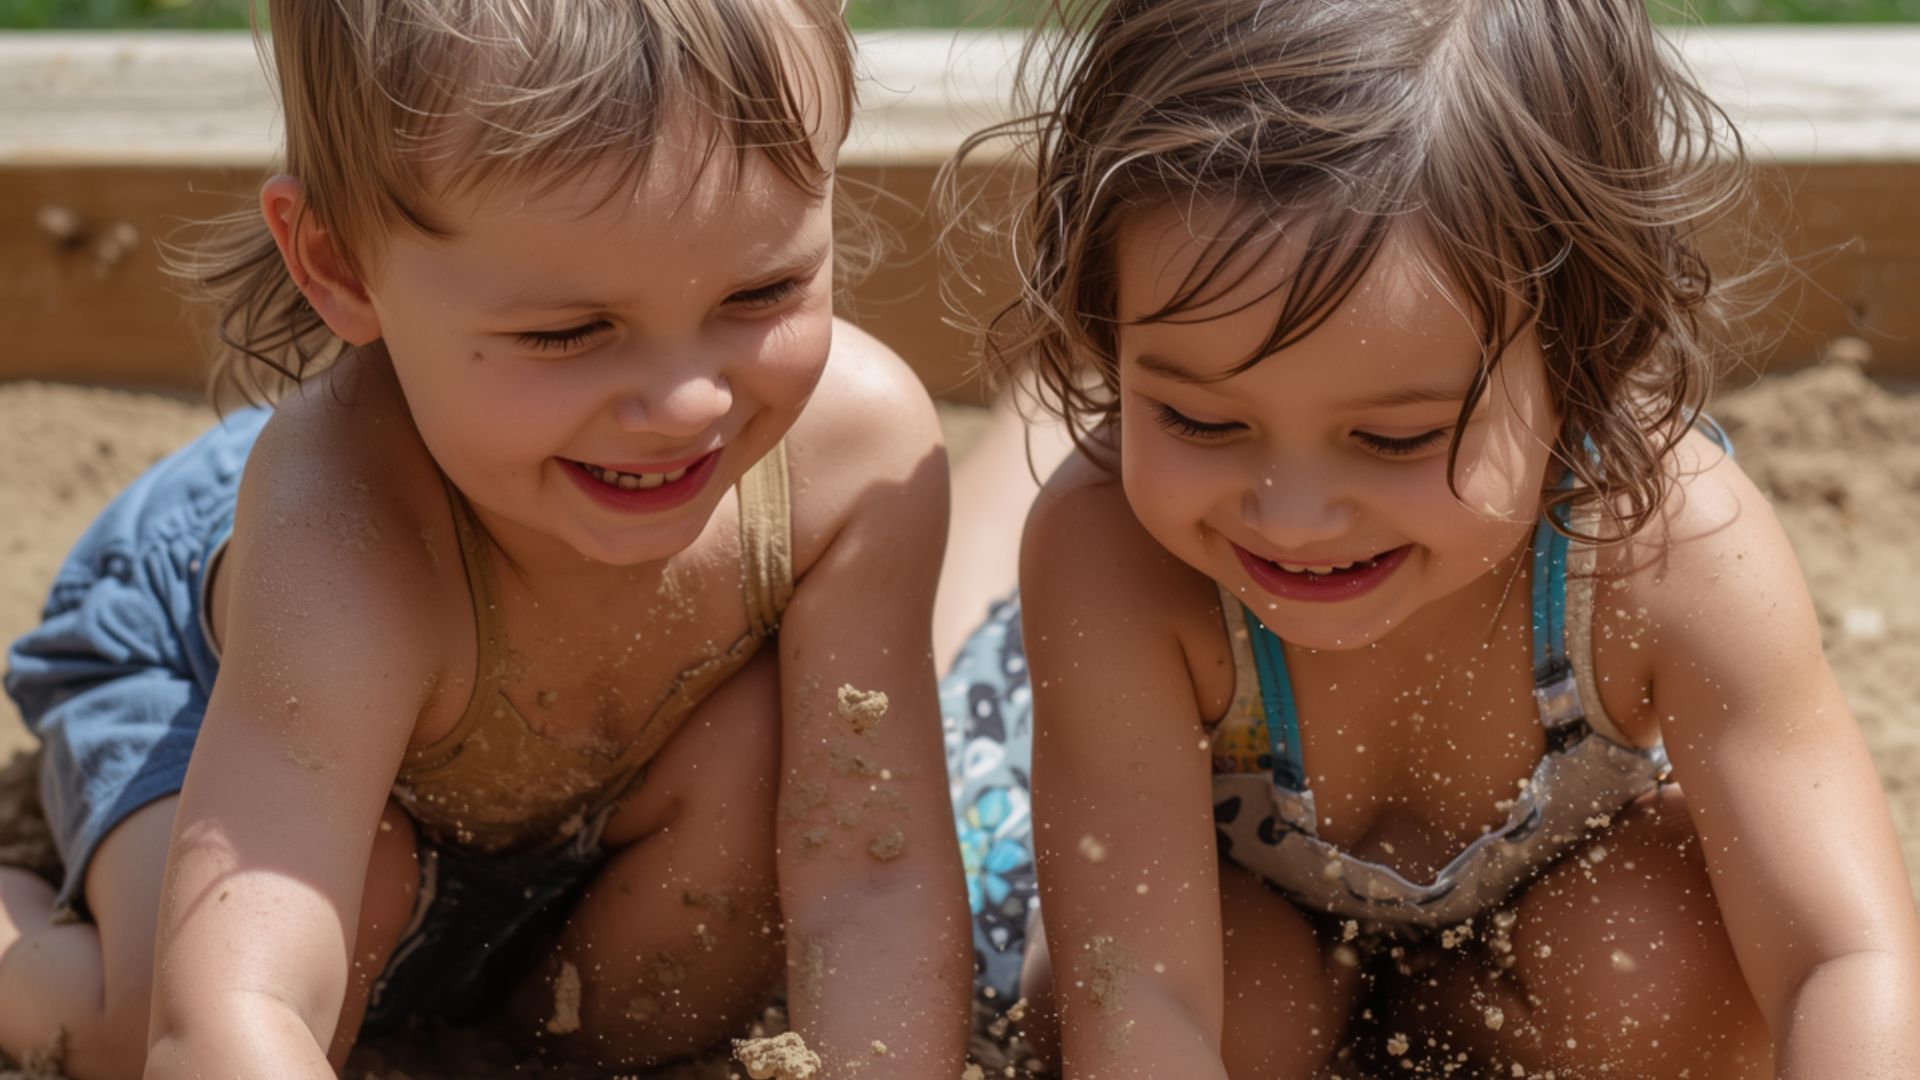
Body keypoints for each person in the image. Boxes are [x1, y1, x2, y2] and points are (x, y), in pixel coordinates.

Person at [940, 1, 1920, 1076]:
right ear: (1110, 334)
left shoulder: (1674, 543)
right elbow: (1139, 998)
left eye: (1394, 437)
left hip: (1526, 919)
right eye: (1200, 418)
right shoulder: (1116, 552)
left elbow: (1847, 954)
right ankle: (1039, 416)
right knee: (1204, 1005)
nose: (1292, 515)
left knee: (1669, 971)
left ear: (1585, 357)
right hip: (1220, 898)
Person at [0, 2, 971, 1076]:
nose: (688, 403)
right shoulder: (347, 532)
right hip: (222, 675)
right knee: (148, 1027)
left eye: (765, 291)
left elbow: (871, 885)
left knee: (741, 837)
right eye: (567, 332)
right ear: (338, 264)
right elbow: (237, 1003)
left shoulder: (854, 457)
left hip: (578, 781)